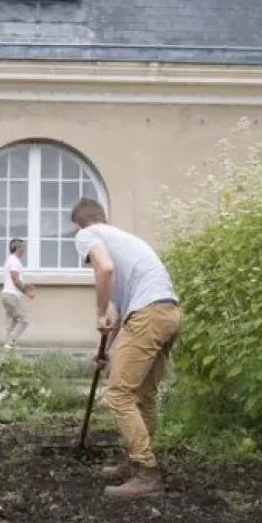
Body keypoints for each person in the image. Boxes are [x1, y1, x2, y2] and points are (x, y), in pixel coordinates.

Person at [72, 197, 181, 498]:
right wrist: (103, 350)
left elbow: (104, 269)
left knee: (119, 394)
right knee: (145, 395)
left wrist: (98, 312)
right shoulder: (125, 240)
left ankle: (146, 472)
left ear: (78, 226)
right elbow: (119, 311)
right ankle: (137, 461)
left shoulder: (87, 234)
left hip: (147, 314)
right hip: (168, 313)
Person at [1, 238, 34, 350]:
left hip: (6, 294)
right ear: (17, 248)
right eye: (22, 247)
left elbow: (14, 280)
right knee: (24, 319)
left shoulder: (10, 260)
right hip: (12, 295)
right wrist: (26, 292)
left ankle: (8, 347)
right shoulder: (14, 261)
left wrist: (26, 285)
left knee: (11, 320)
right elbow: (15, 280)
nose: (24, 250)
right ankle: (10, 342)